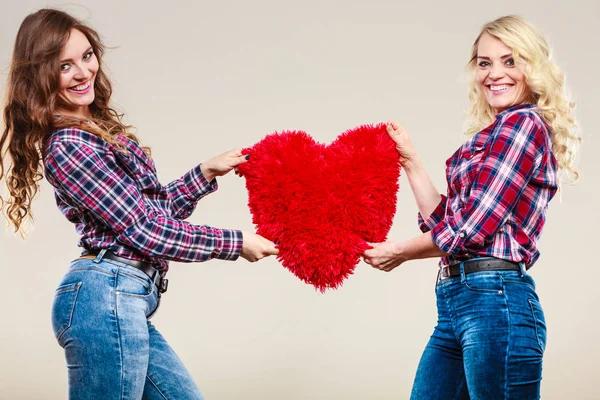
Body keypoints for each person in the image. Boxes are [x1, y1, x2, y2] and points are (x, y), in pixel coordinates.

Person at [0, 8, 278, 399]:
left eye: (86, 55)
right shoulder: (69, 147)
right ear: (41, 76)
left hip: (121, 299)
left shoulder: (93, 133)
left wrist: (204, 173)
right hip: (103, 299)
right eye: (64, 66)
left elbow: (146, 216)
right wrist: (235, 243)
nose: (83, 72)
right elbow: (145, 231)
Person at [362, 15, 580, 399]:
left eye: (510, 60)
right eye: (484, 63)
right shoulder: (492, 135)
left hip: (496, 305)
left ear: (535, 67)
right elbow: (447, 222)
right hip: (455, 305)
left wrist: (398, 252)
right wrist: (410, 161)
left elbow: (469, 230)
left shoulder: (522, 126)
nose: (495, 73)